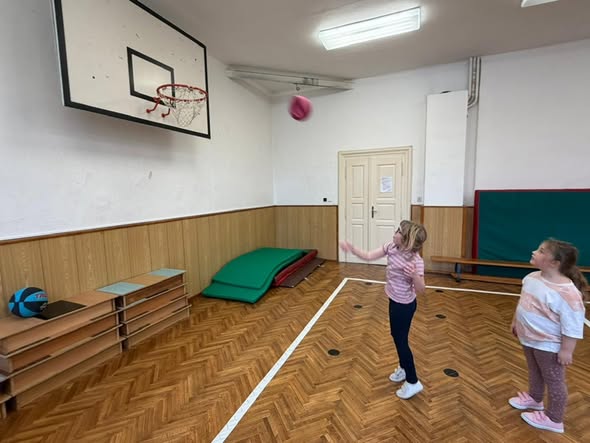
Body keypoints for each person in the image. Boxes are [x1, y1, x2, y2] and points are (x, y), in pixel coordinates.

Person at [340, 220, 427, 399]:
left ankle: (413, 381)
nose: (395, 233)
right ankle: (403, 368)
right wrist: (352, 249)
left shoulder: (416, 261)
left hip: (404, 306)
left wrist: (414, 276)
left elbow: (421, 289)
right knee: (396, 336)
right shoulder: (392, 247)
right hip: (393, 300)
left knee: (401, 341)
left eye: (399, 232)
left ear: (407, 240)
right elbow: (369, 256)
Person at [509, 238, 587, 434]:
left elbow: (573, 325)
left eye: (541, 251)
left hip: (548, 345)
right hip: (529, 338)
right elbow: (522, 302)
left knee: (554, 381)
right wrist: (515, 321)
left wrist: (566, 350)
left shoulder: (567, 293)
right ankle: (535, 399)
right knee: (534, 370)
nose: (534, 252)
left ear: (555, 263)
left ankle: (554, 418)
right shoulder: (532, 278)